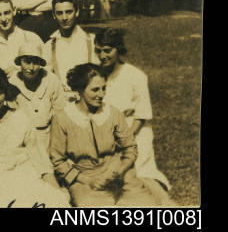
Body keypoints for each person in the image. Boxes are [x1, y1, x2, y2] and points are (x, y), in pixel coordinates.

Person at [49, 63, 169, 207]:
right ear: (80, 90)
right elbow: (57, 160)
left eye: (104, 88)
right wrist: (87, 180)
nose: (101, 94)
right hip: (85, 180)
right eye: (95, 90)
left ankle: (151, 188)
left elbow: (130, 147)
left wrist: (119, 170)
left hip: (119, 175)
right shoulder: (63, 118)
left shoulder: (113, 114)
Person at [0, 67, 71, 208]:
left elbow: (40, 160)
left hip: (25, 178)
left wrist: (56, 190)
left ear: (5, 91)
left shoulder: (20, 118)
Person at [94, 28, 172, 192]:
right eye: (98, 51)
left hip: (134, 133)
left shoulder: (136, 75)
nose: (102, 56)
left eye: (108, 51)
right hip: (104, 134)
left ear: (119, 50)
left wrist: (123, 140)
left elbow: (141, 116)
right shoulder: (96, 74)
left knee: (138, 178)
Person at [9, 43, 64, 150]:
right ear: (20, 62)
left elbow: (59, 112)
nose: (31, 68)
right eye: (27, 62)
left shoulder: (51, 80)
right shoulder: (13, 82)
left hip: (48, 138)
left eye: (35, 62)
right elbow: (11, 116)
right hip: (22, 138)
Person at [43, 0, 98, 98]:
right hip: (62, 102)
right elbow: (47, 81)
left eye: (68, 12)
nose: (64, 17)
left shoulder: (91, 40)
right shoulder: (49, 46)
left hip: (89, 99)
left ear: (76, 12)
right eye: (59, 13)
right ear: (54, 15)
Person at [0, 0, 43, 77]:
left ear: (14, 11)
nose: (3, 19)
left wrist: (20, 70)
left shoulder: (30, 37)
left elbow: (46, 67)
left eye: (7, 13)